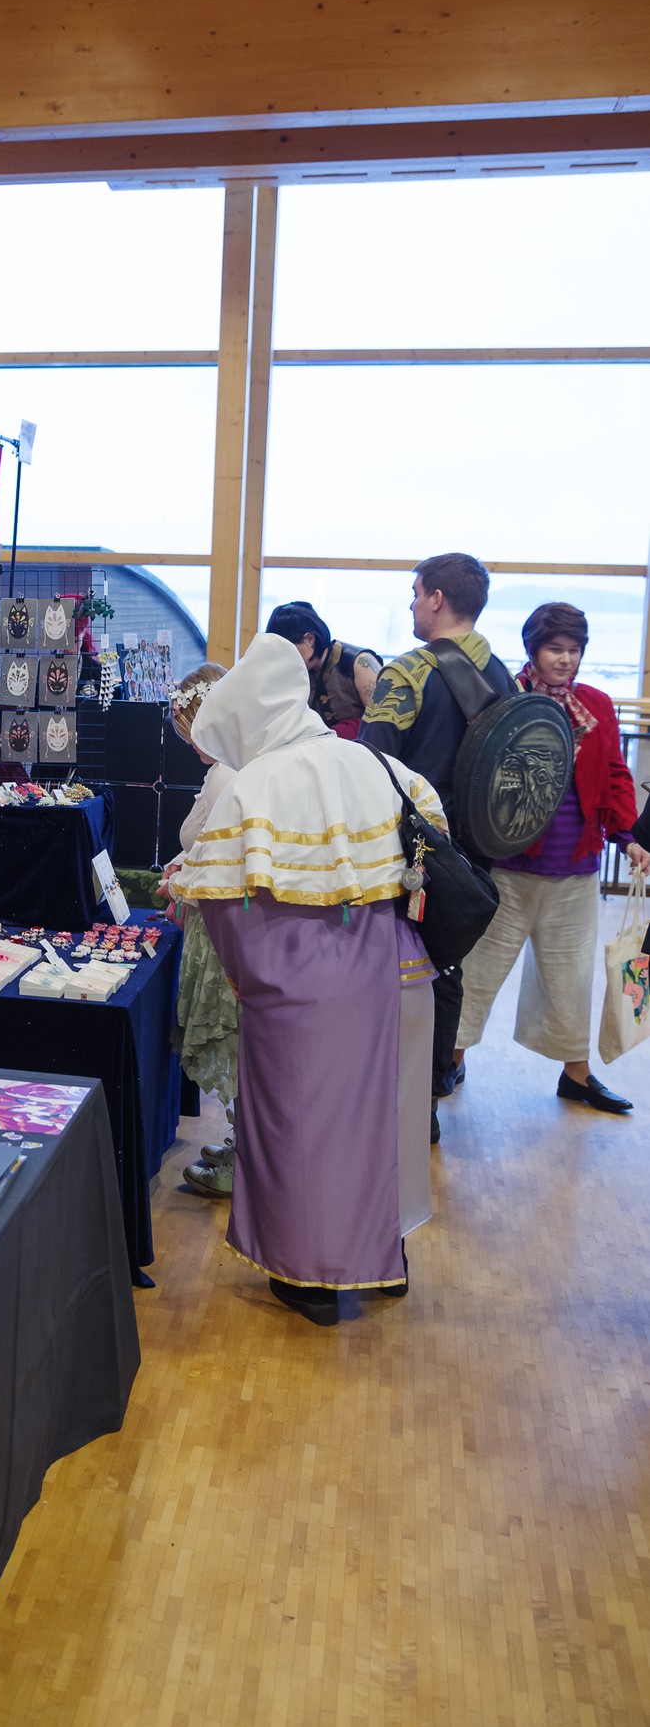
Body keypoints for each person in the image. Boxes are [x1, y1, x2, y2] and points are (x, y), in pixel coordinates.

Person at [174, 634, 445, 1327]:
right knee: (387, 1126)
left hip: (301, 989)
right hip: (400, 972)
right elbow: (433, 838)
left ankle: (312, 1279)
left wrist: (249, 981)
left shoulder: (256, 786)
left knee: (305, 1133)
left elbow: (223, 905)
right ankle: (386, 1260)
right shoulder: (374, 762)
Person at [455, 603, 649, 1112]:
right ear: (533, 650)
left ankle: (576, 1075)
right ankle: (449, 1060)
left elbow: (615, 775)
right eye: (555, 649)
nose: (565, 659)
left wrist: (627, 836)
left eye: (574, 650)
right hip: (508, 868)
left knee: (571, 978)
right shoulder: (506, 699)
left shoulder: (596, 705)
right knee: (479, 970)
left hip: (575, 869)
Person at [359, 552, 518, 1138]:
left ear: (437, 599)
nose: (411, 604)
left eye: (415, 592)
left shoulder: (407, 674)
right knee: (445, 967)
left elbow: (371, 765)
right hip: (472, 856)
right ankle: (425, 1102)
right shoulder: (504, 677)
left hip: (408, 852)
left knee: (389, 966)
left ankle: (381, 1102)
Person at [157, 663, 240, 1197]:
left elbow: (220, 856)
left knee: (233, 1041)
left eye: (188, 728)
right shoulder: (226, 770)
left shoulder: (228, 774)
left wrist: (181, 878)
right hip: (211, 918)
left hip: (218, 927)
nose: (187, 742)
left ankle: (244, 1156)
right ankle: (242, 1144)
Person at [265, 601, 382, 738]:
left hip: (359, 748)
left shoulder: (360, 662)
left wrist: (339, 732)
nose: (284, 659)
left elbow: (381, 724)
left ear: (309, 639)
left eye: (287, 651)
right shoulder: (292, 673)